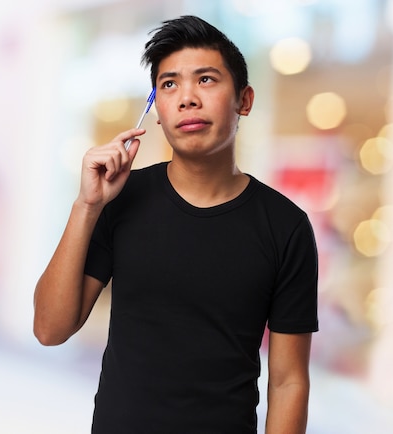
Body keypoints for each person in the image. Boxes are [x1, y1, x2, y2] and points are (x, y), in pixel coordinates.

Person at [34, 15, 318, 434]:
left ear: (245, 100)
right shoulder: (121, 200)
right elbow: (49, 329)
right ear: (157, 111)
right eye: (169, 84)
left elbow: (289, 381)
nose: (187, 98)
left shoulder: (286, 227)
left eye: (206, 80)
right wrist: (86, 205)